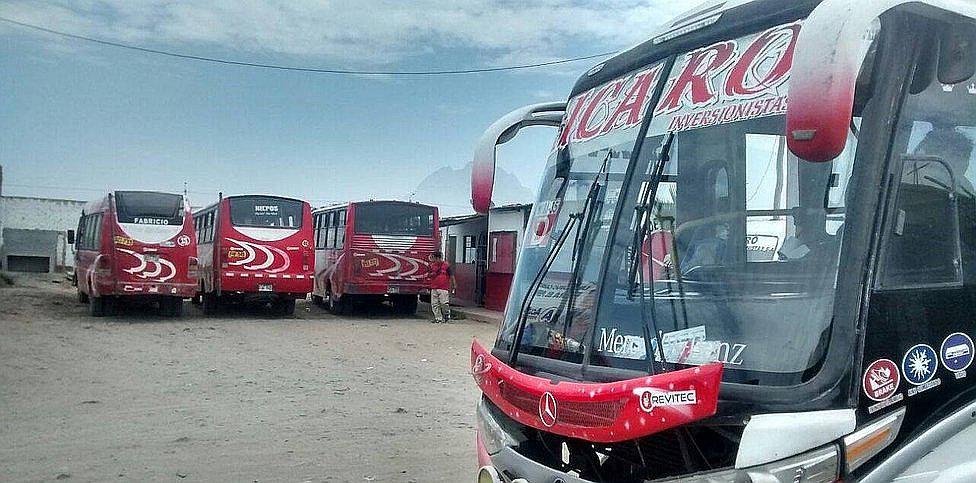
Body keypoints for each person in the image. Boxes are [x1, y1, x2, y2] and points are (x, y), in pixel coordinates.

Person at [427, 251, 456, 323]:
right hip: (434, 287)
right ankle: (438, 318)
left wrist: (454, 285)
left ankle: (446, 315)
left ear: (437, 258)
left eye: (433, 257)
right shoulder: (432, 266)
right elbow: (428, 275)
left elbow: (451, 275)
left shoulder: (446, 266)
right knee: (434, 304)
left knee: (444, 303)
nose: (431, 259)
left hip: (444, 288)